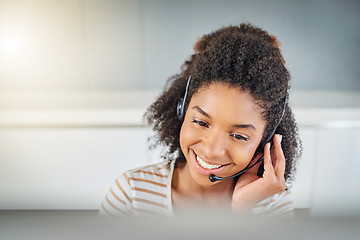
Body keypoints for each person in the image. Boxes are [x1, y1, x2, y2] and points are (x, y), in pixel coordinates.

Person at [99, 23, 302, 217]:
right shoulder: (132, 194)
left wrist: (242, 213)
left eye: (239, 136)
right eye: (201, 122)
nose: (211, 150)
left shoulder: (272, 205)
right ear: (182, 111)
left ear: (265, 141)